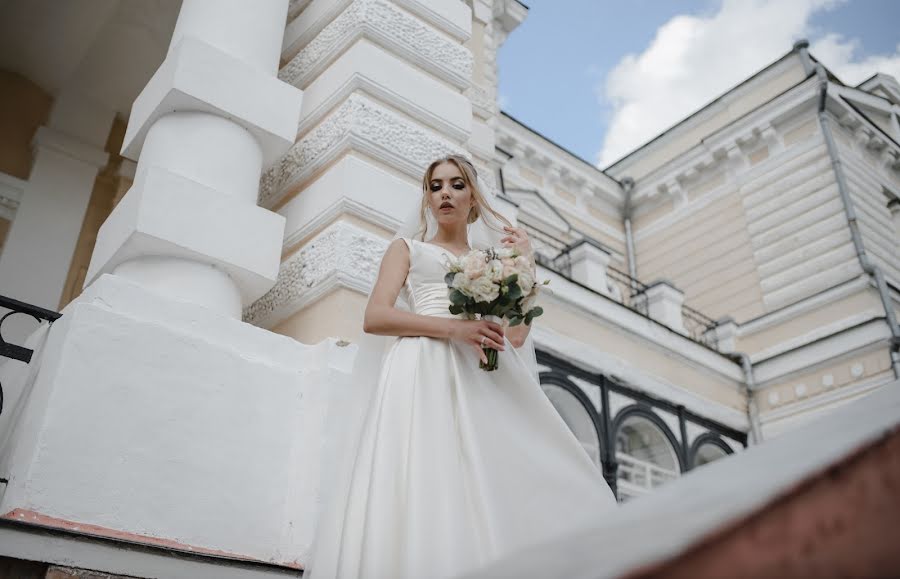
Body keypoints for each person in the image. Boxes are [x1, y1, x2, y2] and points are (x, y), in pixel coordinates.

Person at [305, 155, 616, 579]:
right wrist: (453, 330)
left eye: (456, 184)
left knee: (485, 477)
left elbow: (516, 337)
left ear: (473, 198)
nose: (445, 193)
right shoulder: (408, 249)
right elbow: (375, 317)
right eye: (435, 187)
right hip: (420, 370)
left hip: (477, 378)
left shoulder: (492, 261)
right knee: (423, 471)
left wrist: (527, 266)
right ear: (428, 199)